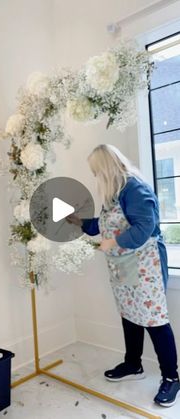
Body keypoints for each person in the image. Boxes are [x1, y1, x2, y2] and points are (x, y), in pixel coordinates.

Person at [67, 144, 180, 408]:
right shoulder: (114, 194)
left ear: (106, 168)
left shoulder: (135, 189)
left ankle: (172, 377)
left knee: (154, 321)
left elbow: (144, 227)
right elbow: (105, 225)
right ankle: (133, 364)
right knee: (130, 316)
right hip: (124, 269)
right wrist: (81, 222)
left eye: (97, 172)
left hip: (144, 267)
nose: (96, 177)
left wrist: (112, 242)